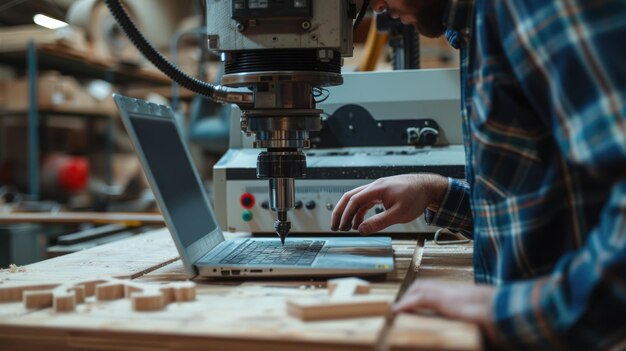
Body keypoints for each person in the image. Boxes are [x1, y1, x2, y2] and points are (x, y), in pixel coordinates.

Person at [331, 0, 626, 349]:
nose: (376, 6)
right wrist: (438, 193)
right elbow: (551, 202)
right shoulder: (481, 24)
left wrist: (507, 312)